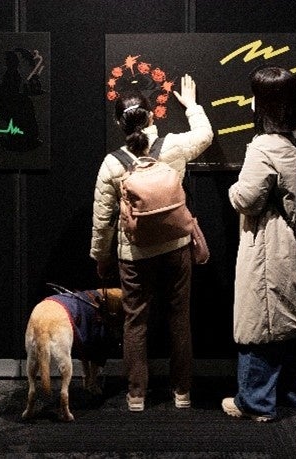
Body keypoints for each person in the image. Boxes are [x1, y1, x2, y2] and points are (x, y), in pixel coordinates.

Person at [90, 74, 213, 411]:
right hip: (176, 245)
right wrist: (192, 106)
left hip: (134, 254)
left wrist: (101, 256)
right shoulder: (173, 146)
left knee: (135, 320)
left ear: (119, 123)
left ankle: (136, 394)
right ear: (152, 115)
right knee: (179, 317)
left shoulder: (112, 164)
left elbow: (103, 219)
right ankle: (182, 392)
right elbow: (205, 136)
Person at [222, 65, 296, 422]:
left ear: (263, 103)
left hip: (273, 247)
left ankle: (255, 402)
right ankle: (290, 394)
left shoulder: (264, 147)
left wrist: (232, 189)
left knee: (263, 324)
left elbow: (246, 199)